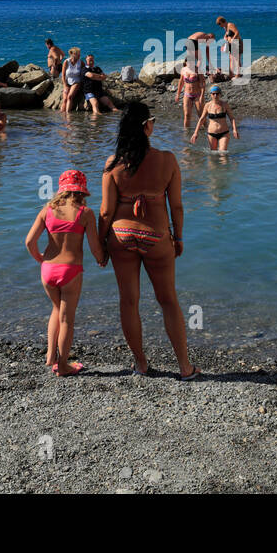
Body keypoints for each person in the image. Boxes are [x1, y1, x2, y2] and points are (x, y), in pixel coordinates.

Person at [99, 102, 199, 380]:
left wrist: (100, 243)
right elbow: (176, 206)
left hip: (121, 236)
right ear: (146, 126)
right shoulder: (167, 160)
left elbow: (106, 211)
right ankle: (184, 367)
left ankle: (141, 364)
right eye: (152, 120)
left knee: (129, 301)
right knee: (168, 300)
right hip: (156, 237)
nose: (153, 124)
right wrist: (178, 237)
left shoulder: (113, 164)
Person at [24, 169, 106, 377]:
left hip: (48, 270)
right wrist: (101, 259)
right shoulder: (85, 213)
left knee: (55, 309)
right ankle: (62, 365)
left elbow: (29, 242)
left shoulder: (47, 210)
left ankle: (51, 355)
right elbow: (94, 246)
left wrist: (40, 259)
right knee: (67, 319)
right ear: (82, 191)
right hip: (71, 270)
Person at [191, 85, 238, 152]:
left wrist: (234, 130)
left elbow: (232, 118)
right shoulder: (207, 105)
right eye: (213, 94)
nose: (215, 95)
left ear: (220, 94)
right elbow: (201, 119)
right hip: (211, 133)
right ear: (211, 95)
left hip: (224, 133)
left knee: (223, 153)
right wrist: (195, 133)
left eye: (217, 93)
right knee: (213, 156)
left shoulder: (224, 104)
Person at [175, 58, 207, 128]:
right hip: (187, 95)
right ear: (186, 62)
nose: (190, 63)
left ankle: (206, 129)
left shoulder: (198, 70)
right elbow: (181, 82)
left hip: (197, 95)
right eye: (188, 62)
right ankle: (186, 132)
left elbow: (203, 84)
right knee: (187, 115)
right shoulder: (183, 70)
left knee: (200, 114)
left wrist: (202, 96)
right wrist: (178, 94)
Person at [60, 47, 86, 113]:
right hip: (67, 82)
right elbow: (63, 75)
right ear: (73, 54)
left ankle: (67, 114)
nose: (79, 55)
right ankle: (62, 116)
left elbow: (84, 73)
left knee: (70, 96)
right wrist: (65, 85)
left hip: (76, 82)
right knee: (65, 99)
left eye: (79, 54)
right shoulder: (66, 62)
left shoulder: (81, 62)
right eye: (78, 54)